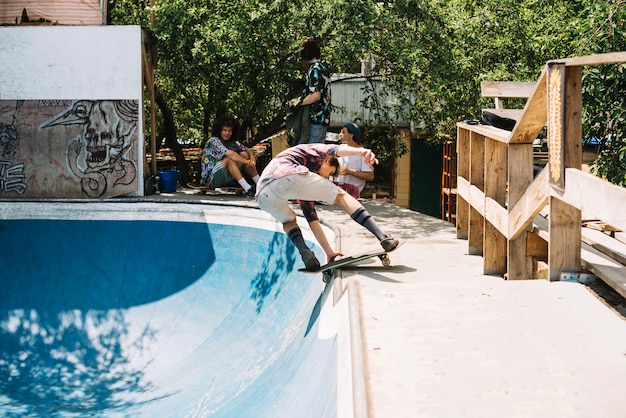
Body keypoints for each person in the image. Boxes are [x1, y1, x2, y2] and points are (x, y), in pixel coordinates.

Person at [255, 143, 399, 270]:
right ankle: (383, 237)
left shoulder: (304, 183)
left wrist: (329, 252)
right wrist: (362, 152)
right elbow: (335, 149)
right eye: (329, 173)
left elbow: (313, 220)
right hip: (288, 175)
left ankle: (305, 251)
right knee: (342, 196)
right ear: (328, 160)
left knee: (288, 221)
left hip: (262, 194)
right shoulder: (311, 152)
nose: (325, 178)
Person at [200, 115, 259, 196]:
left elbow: (248, 150)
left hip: (227, 177)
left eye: (229, 130)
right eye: (224, 130)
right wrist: (247, 162)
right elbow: (230, 154)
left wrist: (252, 160)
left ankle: (261, 185)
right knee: (229, 159)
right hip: (211, 179)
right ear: (219, 130)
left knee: (244, 154)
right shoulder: (213, 141)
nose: (227, 133)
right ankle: (248, 188)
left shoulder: (232, 143)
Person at [299, 40, 331, 144]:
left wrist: (298, 103)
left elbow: (316, 95)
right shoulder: (323, 68)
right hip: (323, 118)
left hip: (315, 118)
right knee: (318, 154)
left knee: (310, 153)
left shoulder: (315, 70)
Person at [332, 123, 374, 198]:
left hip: (352, 194)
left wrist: (350, 171)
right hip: (335, 191)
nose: (340, 134)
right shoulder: (341, 148)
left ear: (351, 135)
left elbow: (370, 176)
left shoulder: (363, 152)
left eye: (343, 132)